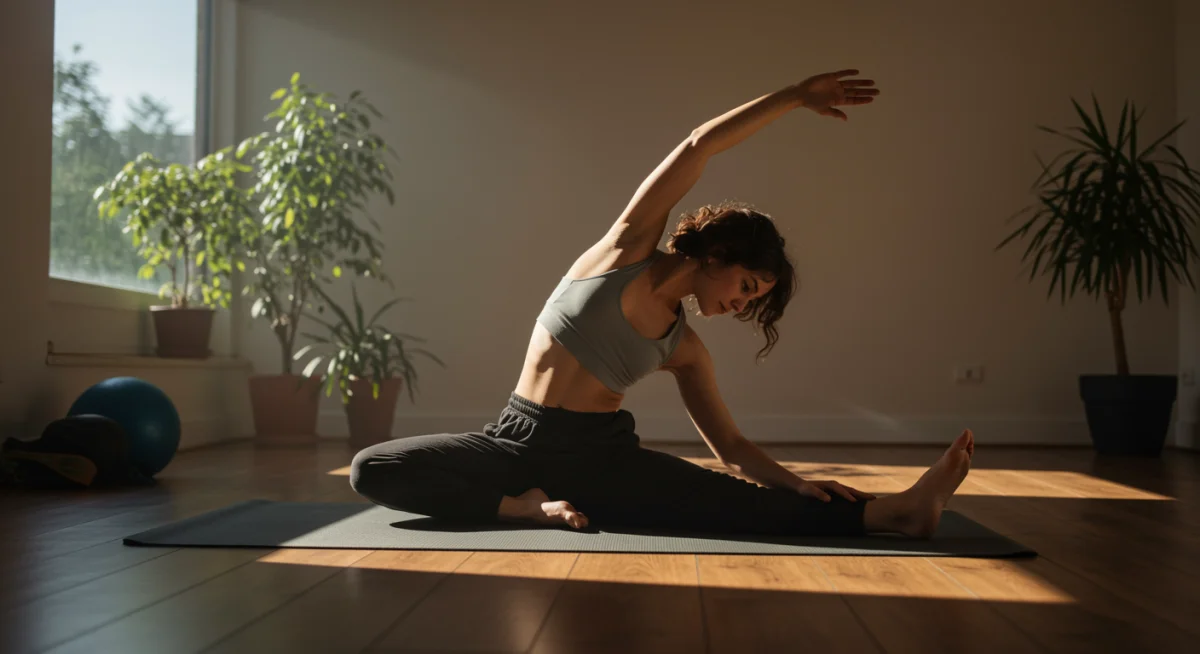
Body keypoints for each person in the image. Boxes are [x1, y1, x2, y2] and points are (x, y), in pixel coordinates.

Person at [350, 69, 974, 539]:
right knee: (373, 469)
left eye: (753, 301)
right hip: (513, 440)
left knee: (734, 505)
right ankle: (522, 509)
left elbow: (730, 447)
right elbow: (699, 146)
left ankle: (896, 511)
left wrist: (797, 482)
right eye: (747, 287)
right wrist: (791, 98)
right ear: (718, 254)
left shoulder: (685, 349)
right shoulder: (622, 252)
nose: (739, 306)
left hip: (601, 458)